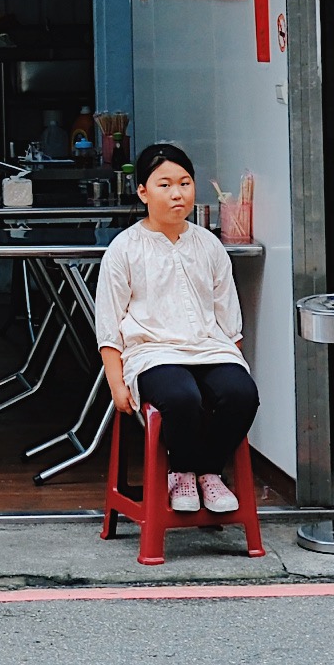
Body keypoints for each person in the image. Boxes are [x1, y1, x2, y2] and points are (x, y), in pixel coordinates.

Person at [96, 143, 259, 517]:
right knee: (182, 397)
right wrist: (116, 382)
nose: (176, 194)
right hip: (152, 353)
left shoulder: (208, 245)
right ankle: (181, 472)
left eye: (184, 183)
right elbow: (109, 323)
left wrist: (235, 362)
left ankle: (209, 472)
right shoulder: (124, 249)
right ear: (143, 192)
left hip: (209, 348)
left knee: (241, 394)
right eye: (164, 184)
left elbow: (229, 316)